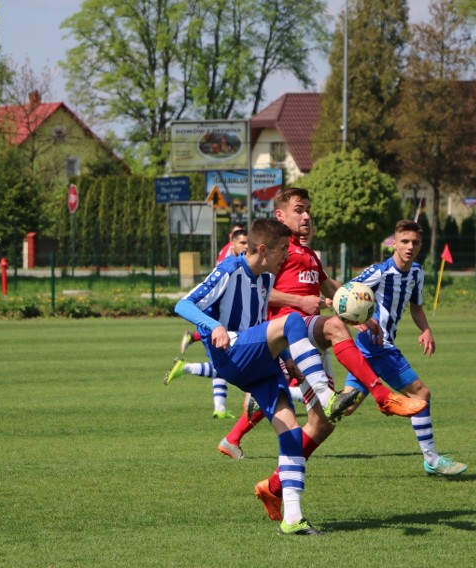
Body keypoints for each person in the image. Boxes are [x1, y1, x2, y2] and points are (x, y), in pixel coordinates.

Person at [220, 187, 427, 522]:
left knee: (322, 425)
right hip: (286, 338)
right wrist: (299, 302)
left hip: (309, 337)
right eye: (299, 210)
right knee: (334, 329)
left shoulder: (308, 254)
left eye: (308, 210)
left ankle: (272, 486)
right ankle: (382, 395)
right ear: (280, 216)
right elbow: (260, 292)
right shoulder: (277, 251)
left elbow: (329, 286)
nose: (306, 216)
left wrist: (363, 313)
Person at [171, 218, 336, 535]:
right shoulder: (229, 269)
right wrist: (214, 326)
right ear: (263, 249)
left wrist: (288, 360)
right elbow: (183, 303)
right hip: (232, 354)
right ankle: (327, 396)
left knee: (290, 432)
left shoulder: (265, 279)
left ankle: (293, 519)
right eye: (282, 250)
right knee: (291, 321)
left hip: (259, 362)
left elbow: (261, 327)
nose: (287, 256)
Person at [336, 220, 468, 476]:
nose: (409, 246)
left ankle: (296, 392)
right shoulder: (380, 271)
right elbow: (344, 295)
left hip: (370, 350)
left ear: (421, 245)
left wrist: (425, 329)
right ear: (393, 243)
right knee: (421, 394)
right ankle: (432, 459)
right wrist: (357, 323)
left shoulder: (417, 272)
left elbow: (416, 307)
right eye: (404, 241)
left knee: (345, 406)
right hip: (377, 346)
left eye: (415, 242)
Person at [173, 227, 249, 418]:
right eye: (242, 242)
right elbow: (207, 292)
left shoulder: (246, 261)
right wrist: (214, 325)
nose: (246, 246)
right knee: (226, 368)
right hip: (213, 322)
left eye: (249, 243)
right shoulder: (228, 262)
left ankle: (220, 408)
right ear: (232, 242)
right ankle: (186, 367)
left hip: (223, 323)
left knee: (224, 368)